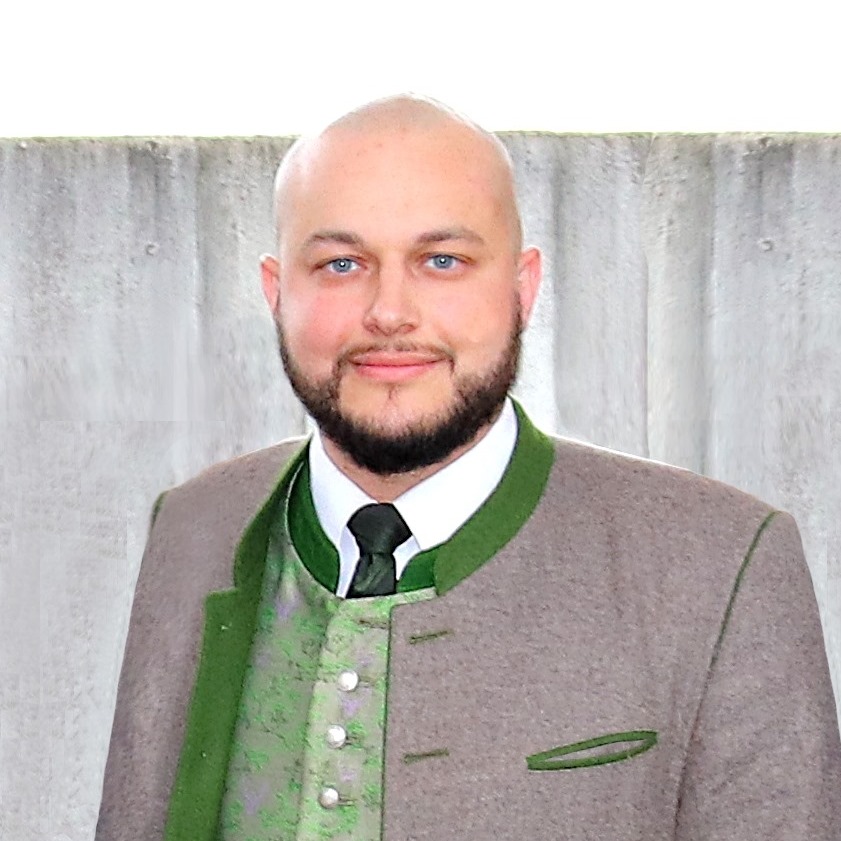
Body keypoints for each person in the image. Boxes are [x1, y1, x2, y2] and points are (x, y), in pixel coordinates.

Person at [96, 96, 841, 841]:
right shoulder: (192, 526)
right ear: (276, 292)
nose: (390, 312)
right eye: (341, 264)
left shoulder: (720, 561)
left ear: (522, 289)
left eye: (442, 261)